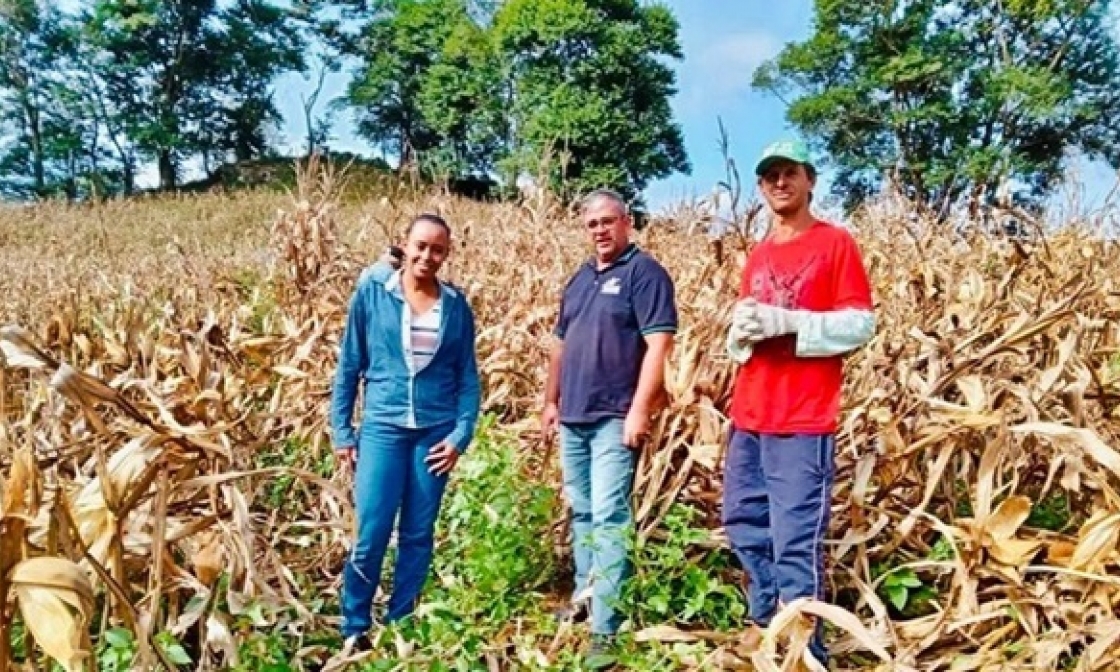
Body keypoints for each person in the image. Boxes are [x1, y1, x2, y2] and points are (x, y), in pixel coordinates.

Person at [722, 138, 875, 667]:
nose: (779, 184)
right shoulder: (759, 255)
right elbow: (745, 333)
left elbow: (861, 323)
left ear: (810, 179)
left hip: (803, 417)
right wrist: (739, 336)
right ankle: (769, 626)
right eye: (769, 177)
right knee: (743, 522)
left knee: (795, 538)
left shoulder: (836, 245)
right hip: (749, 414)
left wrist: (791, 323)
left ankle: (805, 648)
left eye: (789, 173)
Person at [330, 213, 481, 650]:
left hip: (433, 435)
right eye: (420, 246)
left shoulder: (455, 306)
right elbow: (349, 366)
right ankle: (355, 626)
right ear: (406, 244)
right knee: (371, 532)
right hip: (383, 429)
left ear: (446, 254)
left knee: (417, 533)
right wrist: (342, 430)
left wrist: (460, 436)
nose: (427, 256)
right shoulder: (375, 293)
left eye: (437, 250)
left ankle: (402, 623)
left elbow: (467, 378)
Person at [541, 188, 678, 664]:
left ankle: (606, 626)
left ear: (627, 222)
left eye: (608, 221)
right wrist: (550, 401)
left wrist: (640, 409)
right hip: (573, 416)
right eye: (592, 223)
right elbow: (559, 346)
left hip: (614, 416)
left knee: (610, 516)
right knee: (582, 512)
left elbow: (658, 344)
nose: (600, 230)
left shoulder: (645, 273)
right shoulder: (579, 280)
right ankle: (584, 599)